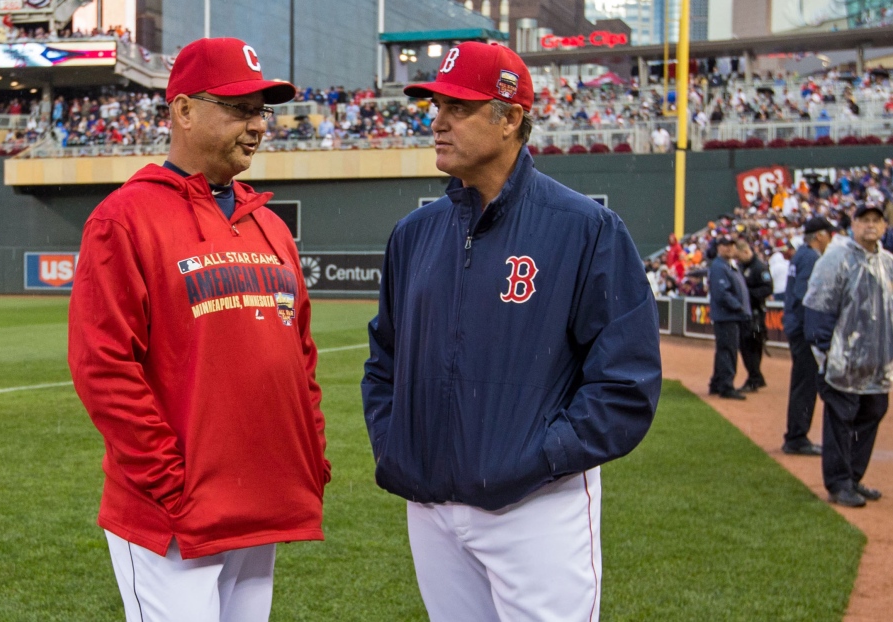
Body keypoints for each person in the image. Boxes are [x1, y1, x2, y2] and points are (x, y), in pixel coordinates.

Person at [361, 42, 661, 622]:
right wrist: (398, 447)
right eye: (435, 104)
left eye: (459, 107)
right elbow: (384, 363)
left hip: (536, 506)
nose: (437, 120)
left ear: (510, 118)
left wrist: (538, 458)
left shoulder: (586, 228)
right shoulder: (414, 233)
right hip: (431, 505)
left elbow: (626, 383)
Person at [67, 37, 330, 621]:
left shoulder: (268, 224)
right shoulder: (124, 219)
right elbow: (102, 368)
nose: (257, 124)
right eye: (239, 108)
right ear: (183, 110)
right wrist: (172, 482)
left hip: (258, 501)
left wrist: (308, 454)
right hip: (173, 516)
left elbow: (301, 358)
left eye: (262, 110)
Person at [804, 204, 893, 507]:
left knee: (872, 414)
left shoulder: (888, 263)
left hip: (877, 365)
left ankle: (853, 477)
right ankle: (838, 482)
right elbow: (818, 309)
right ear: (853, 224)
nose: (871, 225)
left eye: (876, 221)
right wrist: (825, 353)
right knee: (840, 420)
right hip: (843, 362)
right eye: (864, 220)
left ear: (884, 227)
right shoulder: (836, 260)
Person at [781, 216, 836, 456]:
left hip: (796, 326)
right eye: (829, 234)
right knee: (806, 384)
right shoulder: (811, 257)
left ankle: (796, 434)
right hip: (804, 330)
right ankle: (796, 437)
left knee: (802, 383)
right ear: (820, 235)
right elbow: (807, 298)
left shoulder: (801, 254)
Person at [708, 237, 752, 400]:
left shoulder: (729, 265)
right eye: (725, 245)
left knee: (725, 351)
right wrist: (739, 307)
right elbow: (722, 294)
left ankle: (717, 383)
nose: (729, 248)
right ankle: (726, 386)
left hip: (731, 316)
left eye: (732, 245)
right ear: (719, 248)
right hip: (727, 316)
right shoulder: (720, 266)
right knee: (728, 351)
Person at [736, 239, 772, 392]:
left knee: (753, 346)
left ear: (745, 251)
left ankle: (755, 378)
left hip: (756, 313)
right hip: (745, 314)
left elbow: (768, 288)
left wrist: (747, 295)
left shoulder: (759, 267)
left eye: (739, 256)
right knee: (745, 347)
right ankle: (755, 377)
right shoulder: (742, 267)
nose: (738, 259)